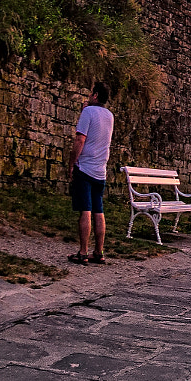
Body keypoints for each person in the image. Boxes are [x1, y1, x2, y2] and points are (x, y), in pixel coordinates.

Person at [70, 82, 114, 265]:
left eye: (90, 93)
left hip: (86, 167)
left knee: (85, 210)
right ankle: (99, 251)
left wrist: (72, 163)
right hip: (100, 169)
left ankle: (82, 251)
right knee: (99, 210)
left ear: (95, 95)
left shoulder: (87, 112)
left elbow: (81, 139)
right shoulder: (110, 116)